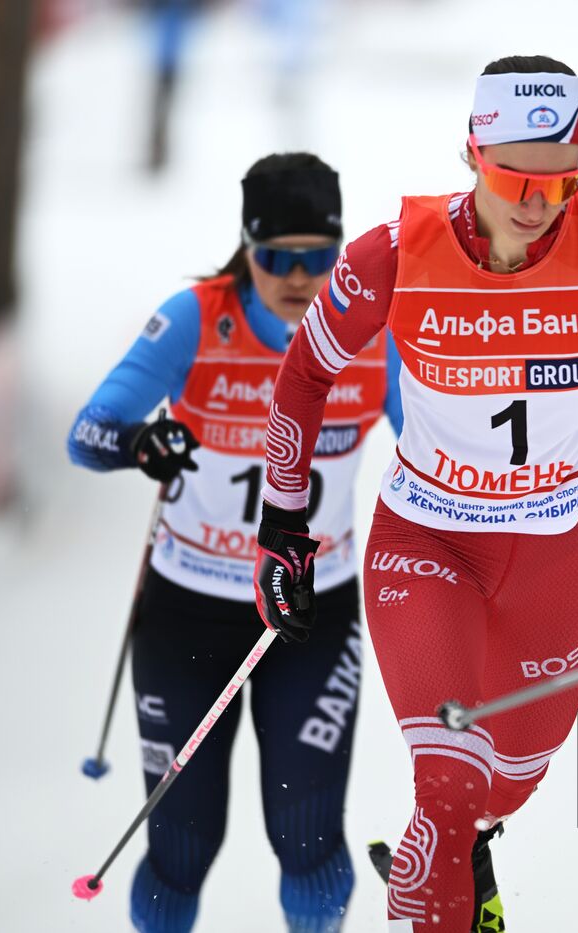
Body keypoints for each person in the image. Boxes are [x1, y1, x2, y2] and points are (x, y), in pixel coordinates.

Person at [251, 55, 578, 932]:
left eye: (562, 177)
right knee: (451, 779)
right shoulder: (396, 251)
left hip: (556, 556)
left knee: (507, 781)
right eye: (516, 176)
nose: (539, 201)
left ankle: (457, 856)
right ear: (473, 152)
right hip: (430, 541)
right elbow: (306, 373)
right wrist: (283, 524)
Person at [68, 152, 402, 933]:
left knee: (308, 836)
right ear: (245, 246)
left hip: (309, 617)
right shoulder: (196, 317)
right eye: (274, 256)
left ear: (341, 252)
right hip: (190, 608)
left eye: (318, 258)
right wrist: (139, 444)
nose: (296, 276)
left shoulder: (374, 333)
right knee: (183, 841)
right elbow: (88, 433)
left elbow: (435, 447)